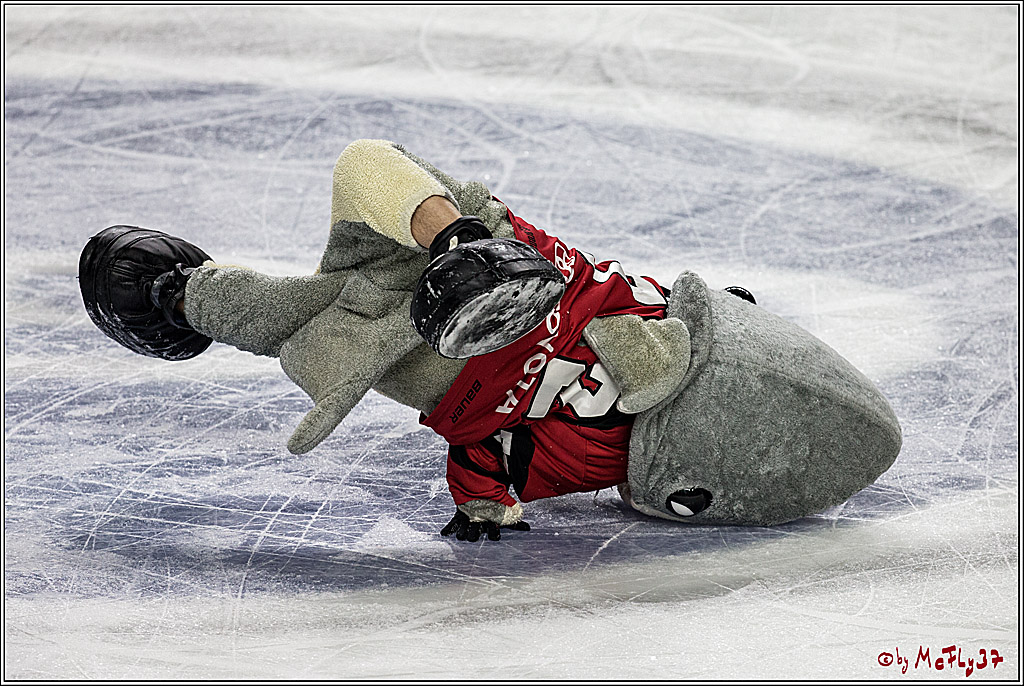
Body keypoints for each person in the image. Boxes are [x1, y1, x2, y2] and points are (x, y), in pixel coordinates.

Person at [80, 139, 903, 543]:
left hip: (445, 354)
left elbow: (499, 462)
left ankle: (184, 299)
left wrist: (484, 501)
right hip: (499, 258)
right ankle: (455, 243)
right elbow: (502, 464)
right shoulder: (658, 315)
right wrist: (474, 233)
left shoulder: (605, 451)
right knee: (370, 168)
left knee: (315, 321)